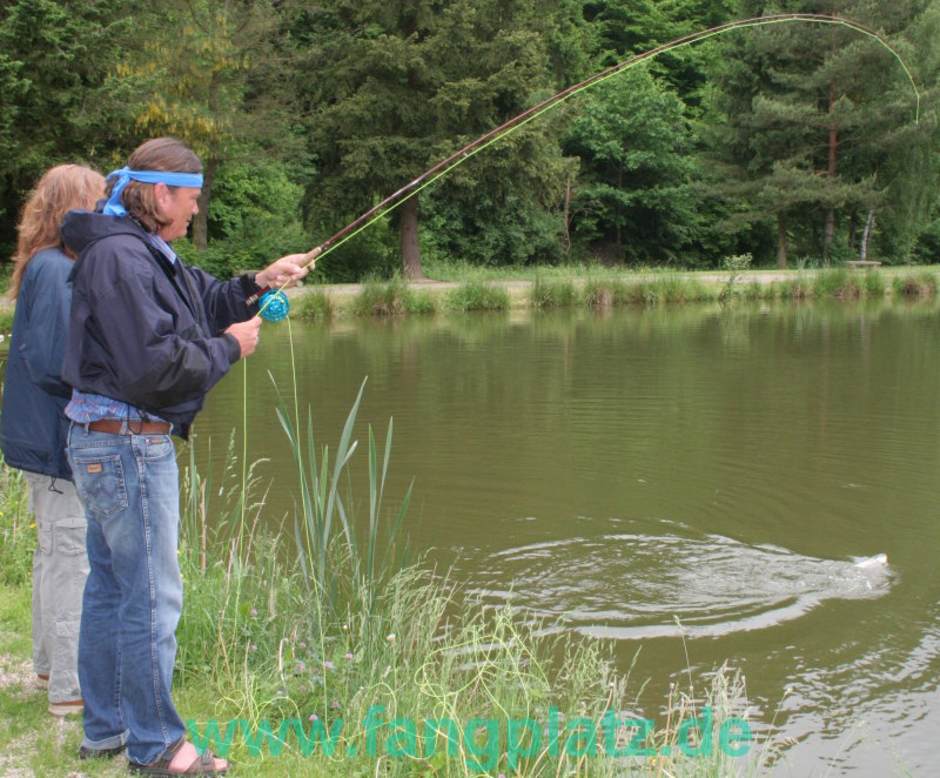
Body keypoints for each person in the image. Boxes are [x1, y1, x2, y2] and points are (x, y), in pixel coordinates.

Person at [60, 137, 309, 775]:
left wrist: (260, 282)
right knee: (149, 598)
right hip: (126, 445)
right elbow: (153, 368)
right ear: (161, 193)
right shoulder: (121, 258)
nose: (197, 211)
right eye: (192, 199)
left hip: (108, 441)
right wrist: (229, 348)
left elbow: (201, 298)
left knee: (114, 589)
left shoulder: (137, 250)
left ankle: (109, 729)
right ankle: (159, 748)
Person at [0, 164, 106, 717]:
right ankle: (70, 685)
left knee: (51, 553)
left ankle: (47, 665)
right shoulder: (54, 271)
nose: (104, 211)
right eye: (96, 201)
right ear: (71, 210)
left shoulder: (42, 265)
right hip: (55, 437)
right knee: (71, 557)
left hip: (36, 435)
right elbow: (52, 362)